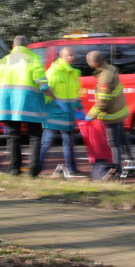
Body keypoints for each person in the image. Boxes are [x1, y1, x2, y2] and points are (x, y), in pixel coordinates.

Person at [0, 36, 49, 177]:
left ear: (13, 46)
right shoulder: (33, 58)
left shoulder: (5, 60)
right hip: (30, 103)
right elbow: (41, 83)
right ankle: (33, 171)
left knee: (13, 136)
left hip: (8, 103)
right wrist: (52, 96)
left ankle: (14, 169)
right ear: (26, 46)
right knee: (35, 136)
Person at [39, 47, 83, 176]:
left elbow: (74, 91)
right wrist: (53, 103)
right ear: (62, 56)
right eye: (69, 55)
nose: (72, 57)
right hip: (53, 112)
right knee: (47, 140)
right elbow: (45, 90)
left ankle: (72, 169)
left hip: (67, 112)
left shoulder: (74, 72)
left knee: (69, 141)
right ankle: (37, 167)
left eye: (73, 55)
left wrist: (78, 105)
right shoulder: (53, 71)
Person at [85, 50, 132, 168]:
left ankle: (117, 169)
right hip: (119, 110)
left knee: (113, 143)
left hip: (112, 114)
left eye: (88, 61)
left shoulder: (104, 78)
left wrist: (91, 114)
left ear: (93, 63)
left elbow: (103, 103)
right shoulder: (110, 68)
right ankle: (130, 160)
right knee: (121, 137)